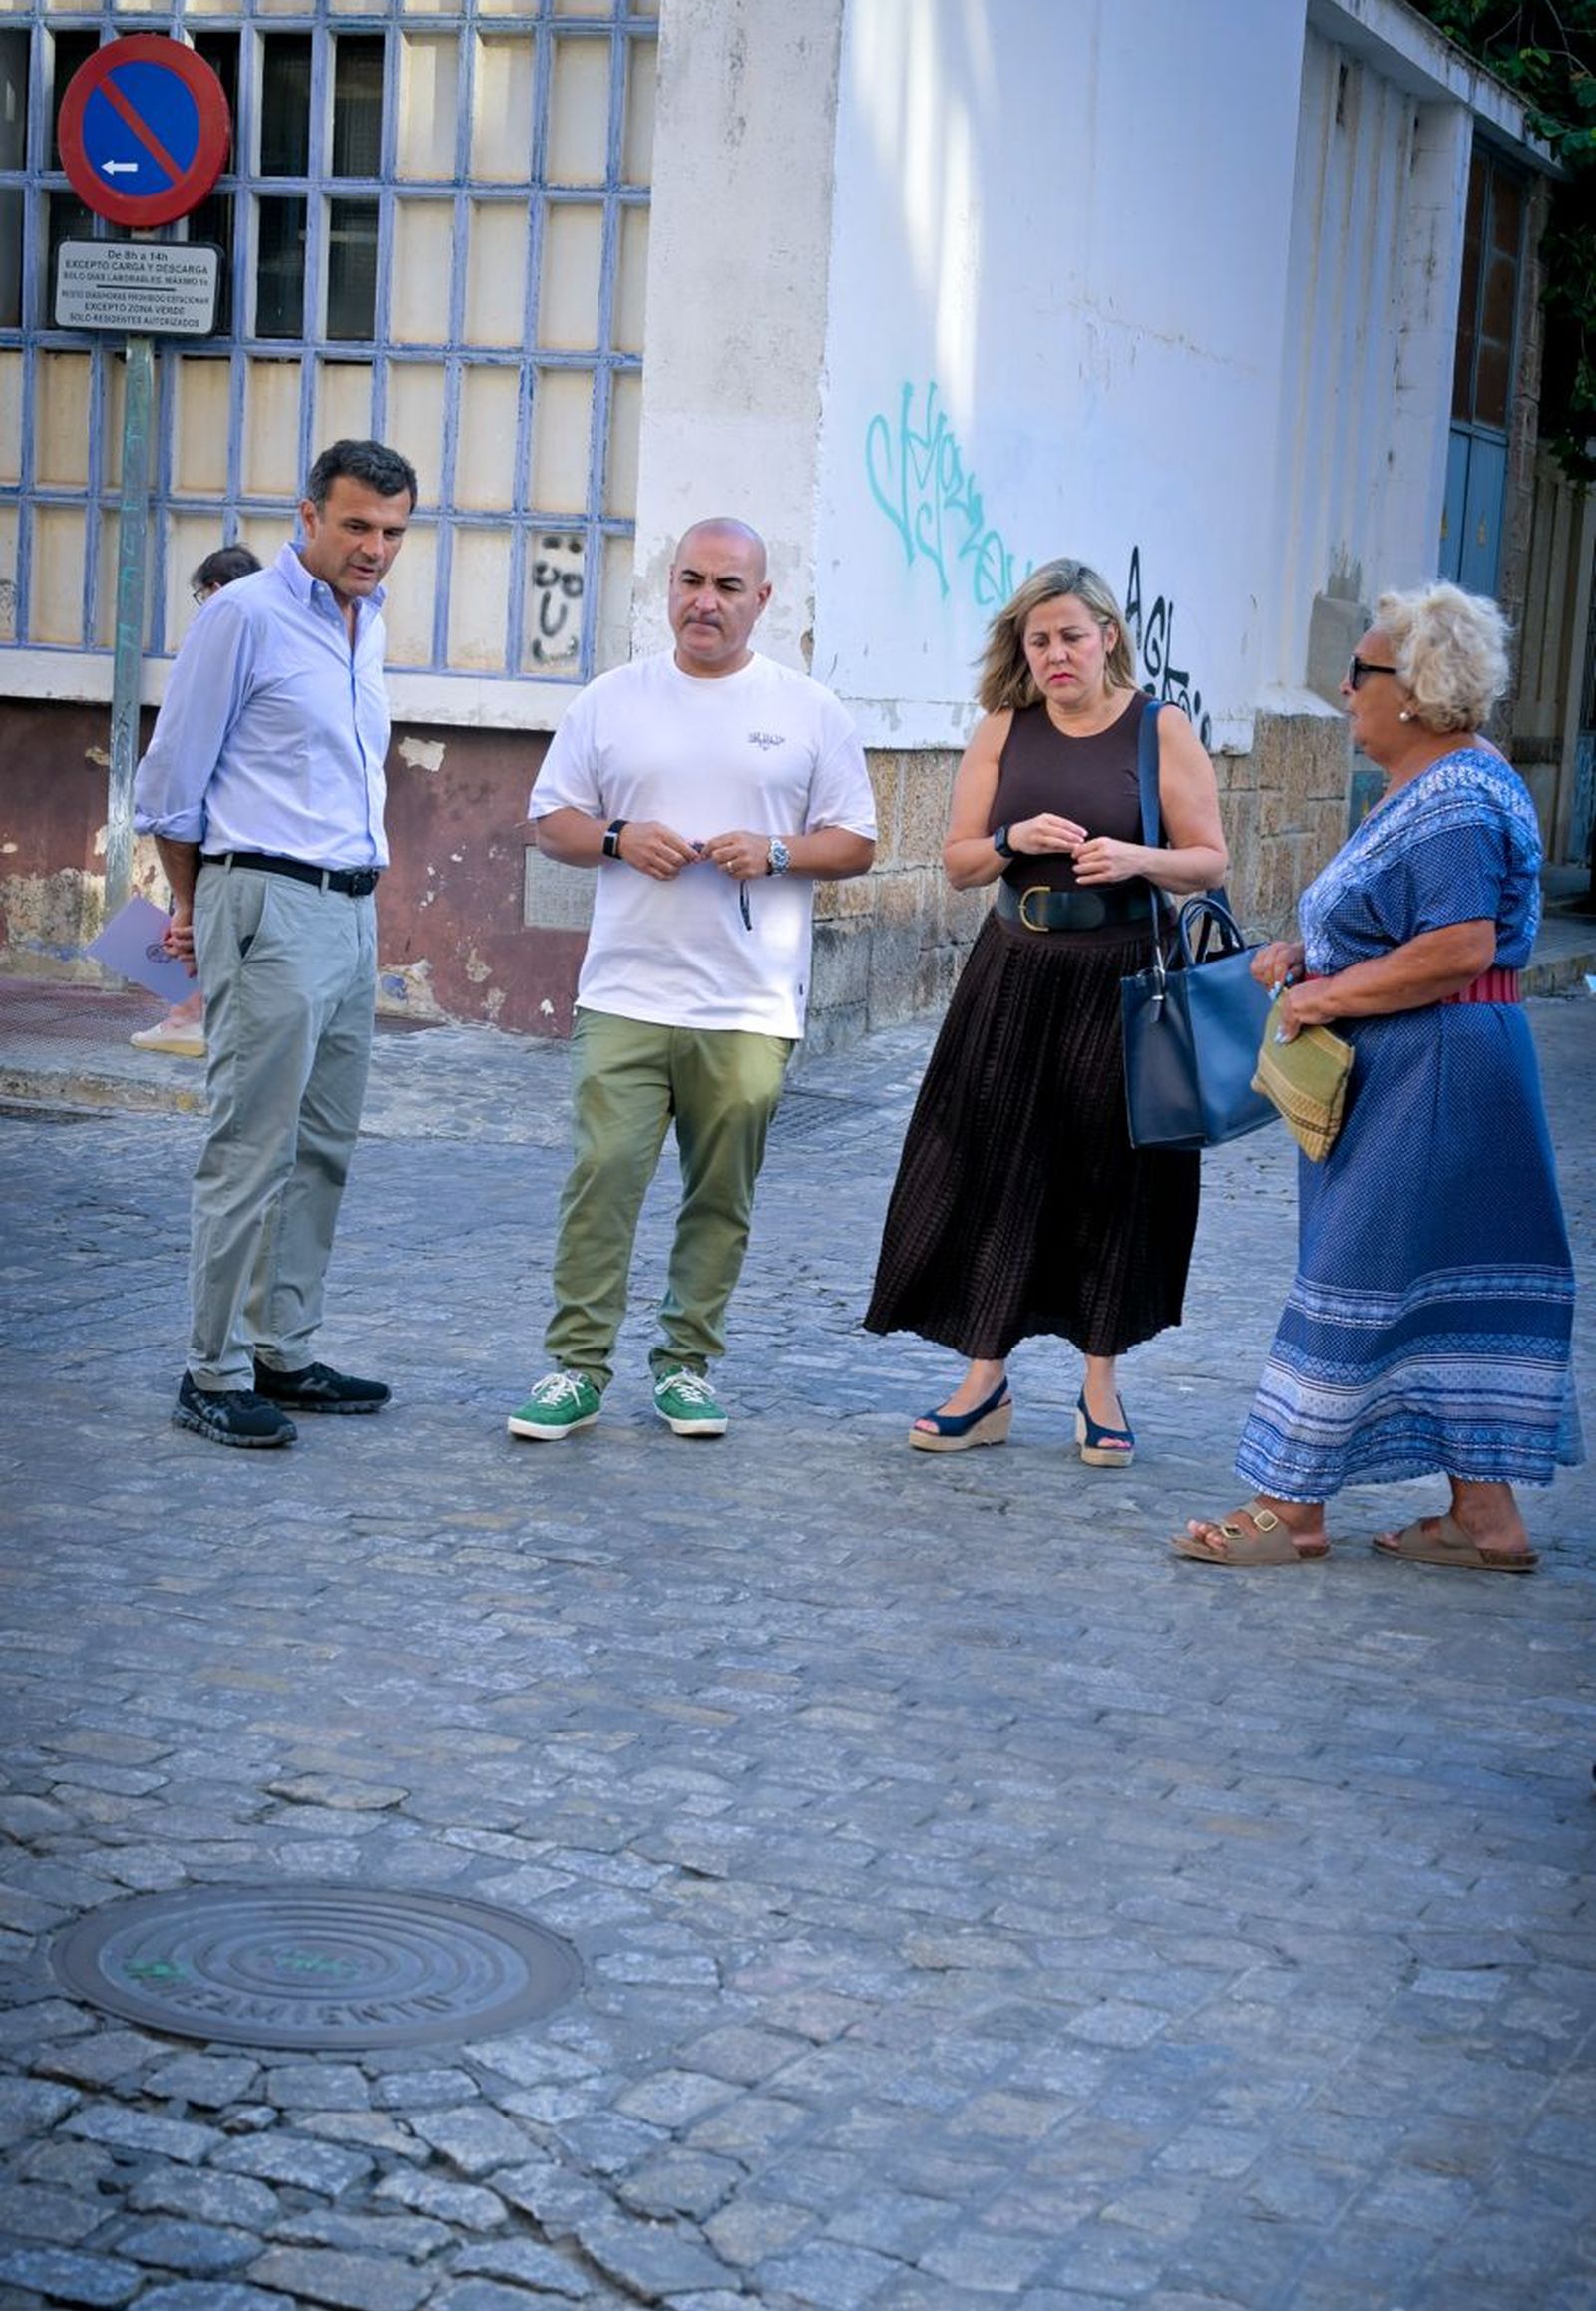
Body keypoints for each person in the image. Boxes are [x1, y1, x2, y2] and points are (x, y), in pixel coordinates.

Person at [1176, 581, 1581, 1572]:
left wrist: (1324, 998)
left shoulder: (1453, 798)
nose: (1342, 693)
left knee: (1351, 1273)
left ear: (1412, 690)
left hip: (1432, 1069)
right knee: (1432, 1284)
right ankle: (1485, 1521)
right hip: (1439, 1060)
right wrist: (1305, 957)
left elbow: (1457, 945)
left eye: (1356, 675)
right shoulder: (1449, 782)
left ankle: (1289, 1509)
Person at [510, 516, 877, 1443]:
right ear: (666, 588)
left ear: (761, 600)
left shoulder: (809, 711)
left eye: (725, 587)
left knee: (721, 1191)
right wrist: (617, 837)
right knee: (604, 1174)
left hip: (749, 1000)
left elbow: (857, 842)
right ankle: (576, 1368)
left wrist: (777, 849)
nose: (703, 602)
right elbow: (550, 819)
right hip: (626, 990)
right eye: (689, 581)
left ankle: (685, 1365)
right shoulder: (610, 699)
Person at [865, 559, 1228, 1460]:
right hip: (1013, 971)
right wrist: (1008, 840)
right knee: (991, 1166)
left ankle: (1099, 1388)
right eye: (1040, 641)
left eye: (1072, 635)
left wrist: (1139, 861)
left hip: (1121, 980)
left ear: (1108, 634)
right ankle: (984, 1382)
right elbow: (955, 861)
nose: (1057, 655)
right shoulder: (1004, 728)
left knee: (1110, 1178)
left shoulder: (1158, 728)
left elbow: (1209, 861)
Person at [133, 438, 419, 1450]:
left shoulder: (366, 626)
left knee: (323, 1145)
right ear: (307, 517)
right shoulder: (243, 617)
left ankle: (282, 1349)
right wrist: (194, 903)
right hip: (264, 896)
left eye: (391, 530)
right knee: (248, 1146)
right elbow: (168, 788)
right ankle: (209, 1369)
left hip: (350, 909)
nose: (373, 547)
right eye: (355, 525)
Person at [131, 546, 264, 1060]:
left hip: (204, 814)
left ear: (212, 588)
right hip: (238, 819)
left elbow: (180, 751)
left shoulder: (220, 627)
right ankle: (189, 1013)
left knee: (187, 911)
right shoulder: (268, 627)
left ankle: (186, 1014)